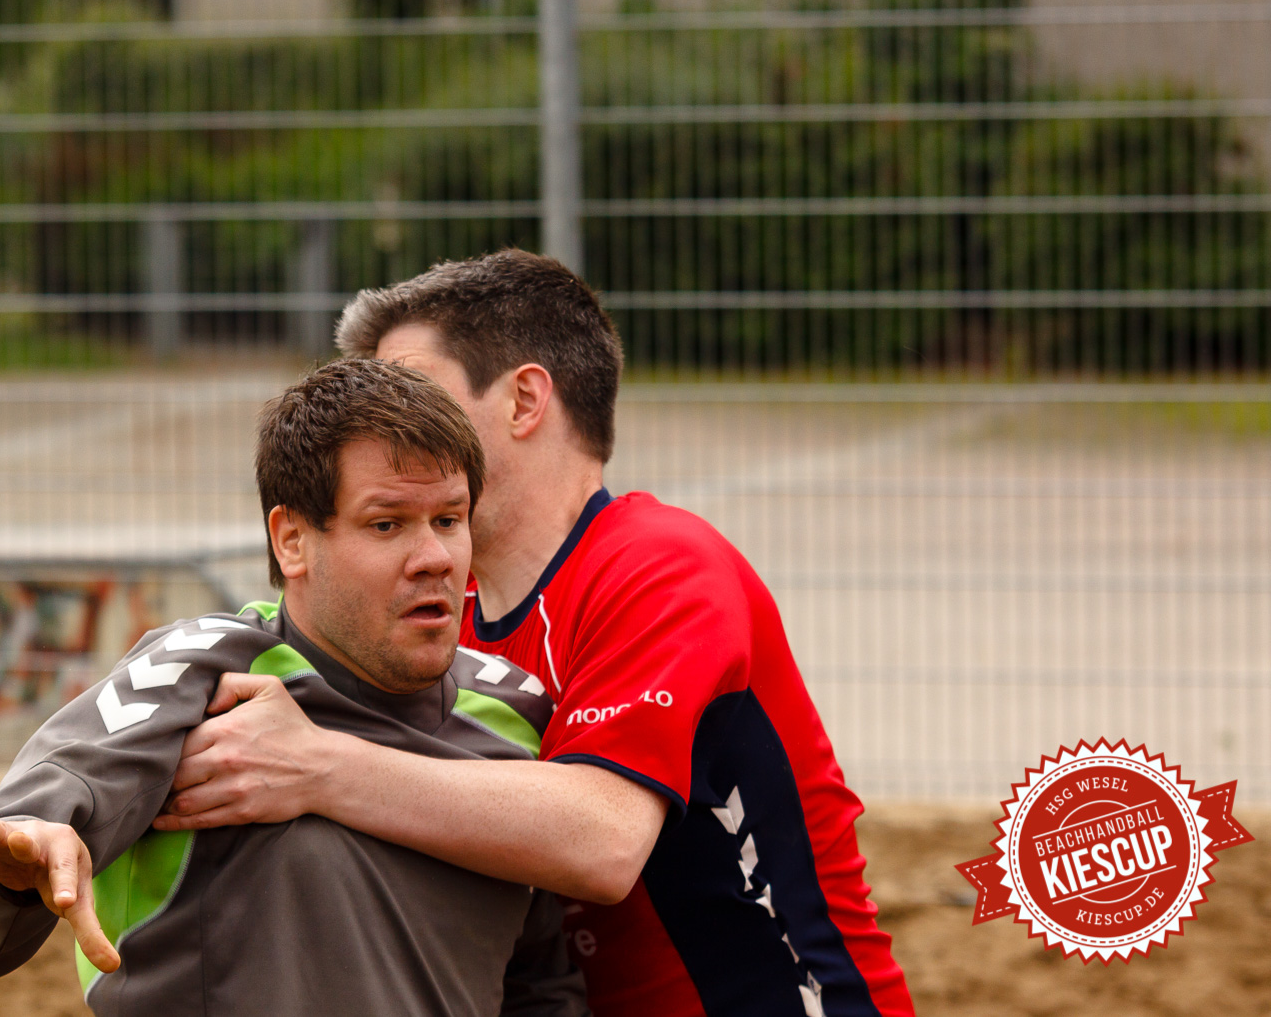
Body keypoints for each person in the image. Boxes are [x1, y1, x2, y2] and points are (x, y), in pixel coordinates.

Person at [155, 250, 916, 1017]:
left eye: (413, 390)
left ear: (524, 400)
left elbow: (601, 840)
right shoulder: (440, 604)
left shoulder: (661, 563)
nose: (385, 423)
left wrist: (316, 763)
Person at [0, 358, 588, 1017]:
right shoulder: (201, 674)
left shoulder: (515, 714)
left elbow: (540, 986)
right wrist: (8, 871)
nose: (436, 558)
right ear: (292, 539)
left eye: (449, 518)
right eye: (387, 524)